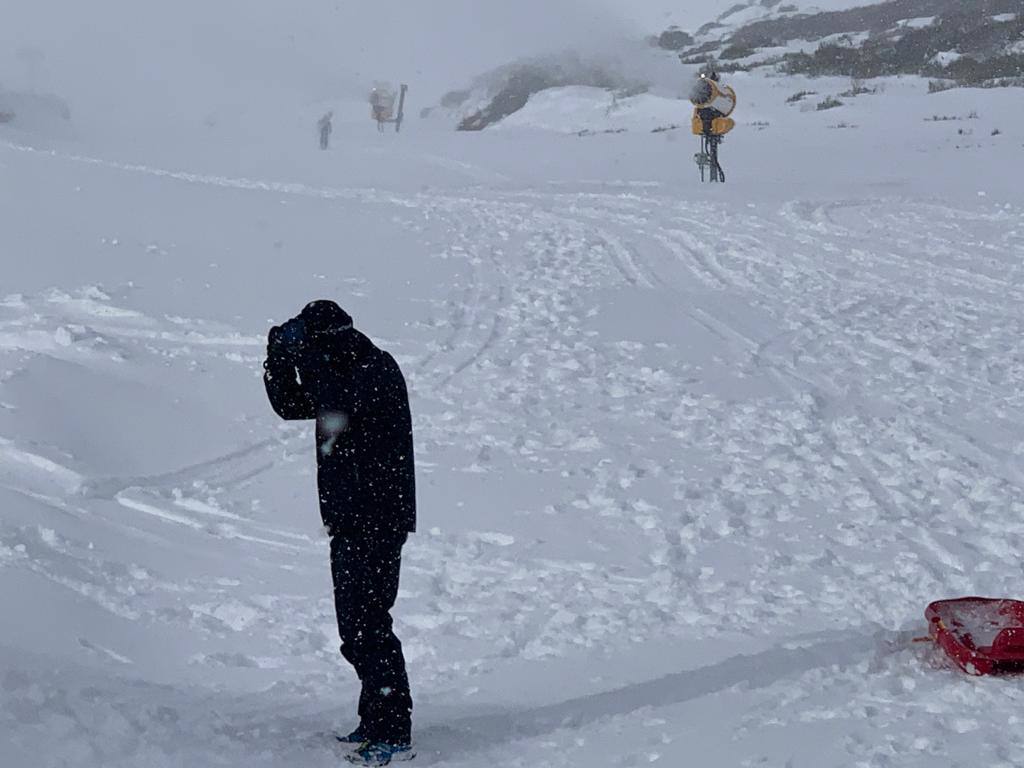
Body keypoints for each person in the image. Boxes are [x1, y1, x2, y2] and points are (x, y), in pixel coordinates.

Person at [263, 300, 416, 766]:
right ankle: (375, 719)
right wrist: (275, 359)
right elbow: (291, 405)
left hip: (378, 516)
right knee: (355, 626)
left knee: (369, 622)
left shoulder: (373, 367)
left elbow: (337, 396)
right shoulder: (337, 367)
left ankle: (393, 733)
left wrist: (302, 352)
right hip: (351, 517)